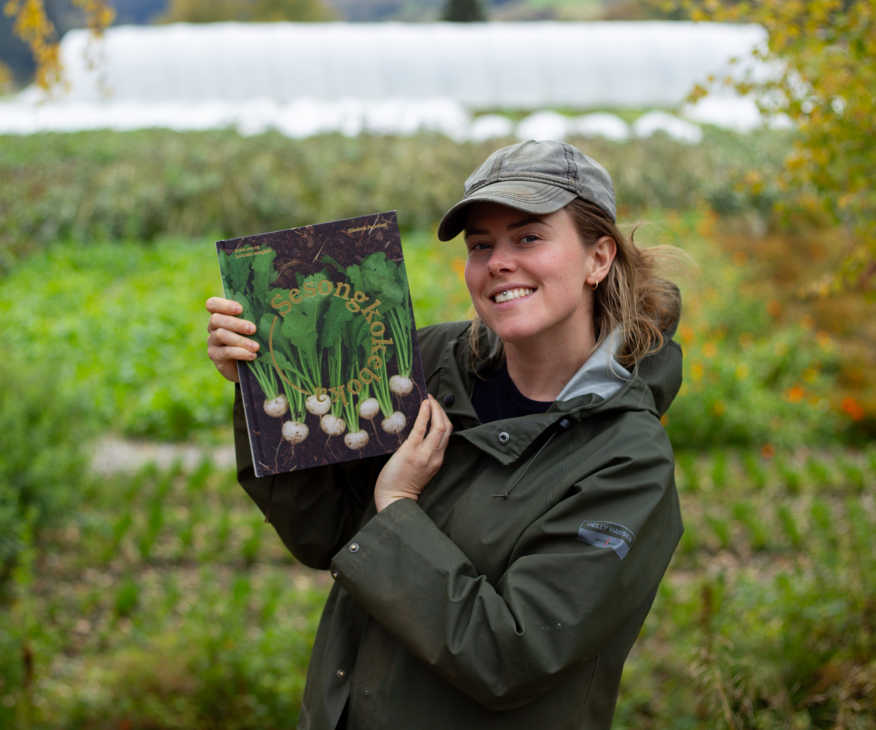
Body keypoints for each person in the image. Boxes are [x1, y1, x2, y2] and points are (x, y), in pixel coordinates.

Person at [206, 140, 685, 730]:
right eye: (481, 245)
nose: (498, 262)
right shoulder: (423, 366)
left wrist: (398, 508)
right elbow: (323, 533)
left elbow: (512, 655)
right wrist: (264, 387)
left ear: (598, 258)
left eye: (528, 237)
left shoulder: (627, 460)